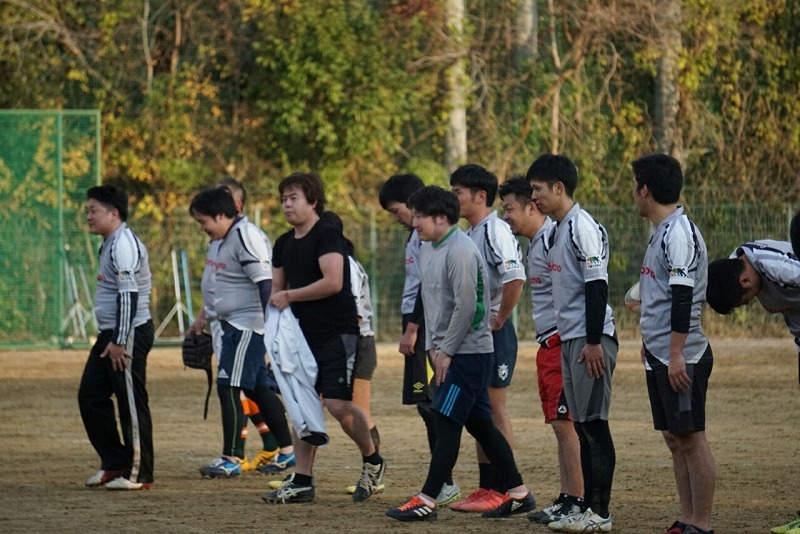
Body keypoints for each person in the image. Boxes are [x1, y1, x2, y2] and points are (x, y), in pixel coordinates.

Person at [385, 185, 535, 522]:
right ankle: (519, 493)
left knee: (445, 419)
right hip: (447, 351)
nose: (414, 223)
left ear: (441, 217)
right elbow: (430, 300)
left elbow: (467, 308)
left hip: (469, 354)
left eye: (420, 217)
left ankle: (427, 499)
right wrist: (431, 346)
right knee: (480, 424)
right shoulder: (428, 248)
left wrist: (447, 351)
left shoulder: (462, 251)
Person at [262, 172, 385, 504]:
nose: (287, 205)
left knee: (337, 404)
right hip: (300, 339)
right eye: (283, 199)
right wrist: (273, 335)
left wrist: (290, 296)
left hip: (337, 333)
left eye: (294, 198)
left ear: (313, 201)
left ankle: (373, 460)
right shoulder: (283, 243)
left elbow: (333, 282)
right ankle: (302, 480)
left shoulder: (327, 235)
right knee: (302, 406)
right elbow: (276, 291)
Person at [528, 154, 617, 532]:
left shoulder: (582, 226)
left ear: (559, 187)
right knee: (581, 426)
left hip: (588, 339)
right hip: (570, 338)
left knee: (594, 426)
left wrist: (594, 341)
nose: (534, 198)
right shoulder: (558, 230)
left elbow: (597, 284)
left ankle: (600, 512)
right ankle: (584, 507)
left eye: (537, 190)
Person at [632, 154, 716, 534]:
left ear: (645, 189)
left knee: (691, 438)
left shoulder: (678, 233)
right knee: (674, 438)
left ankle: (701, 524)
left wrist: (676, 353)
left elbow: (683, 299)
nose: (633, 193)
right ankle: (686, 520)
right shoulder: (662, 231)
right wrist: (650, 343)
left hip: (683, 356)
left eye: (634, 185)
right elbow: (661, 295)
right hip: (662, 354)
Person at [190, 187, 294, 479]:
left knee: (229, 385)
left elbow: (265, 283)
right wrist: (203, 317)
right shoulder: (220, 239)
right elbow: (217, 282)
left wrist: (270, 328)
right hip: (230, 324)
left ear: (221, 215)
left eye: (204, 221)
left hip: (247, 324)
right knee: (256, 387)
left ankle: (232, 457)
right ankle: (288, 450)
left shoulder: (245, 236)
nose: (202, 228)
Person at [498, 177, 584, 526]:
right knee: (558, 425)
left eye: (509, 209)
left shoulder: (554, 238)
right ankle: (566, 497)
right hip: (547, 344)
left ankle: (577, 500)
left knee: (566, 425)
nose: (506, 217)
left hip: (562, 343)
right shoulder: (537, 243)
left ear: (532, 208)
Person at [378, 174, 461, 507]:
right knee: (426, 405)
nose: (399, 218)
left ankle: (445, 482)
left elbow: (429, 286)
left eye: (397, 210)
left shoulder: (428, 238)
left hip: (426, 326)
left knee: (432, 404)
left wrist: (413, 329)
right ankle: (443, 481)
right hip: (418, 322)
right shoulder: (416, 237)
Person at [448, 164, 526, 512]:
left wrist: (500, 317)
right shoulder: (472, 232)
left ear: (480, 196)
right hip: (479, 335)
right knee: (479, 410)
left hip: (496, 333)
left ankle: (507, 489)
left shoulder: (495, 230)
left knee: (495, 410)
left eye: (457, 193)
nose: (453, 199)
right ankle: (487, 487)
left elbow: (515, 277)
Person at [79, 184, 155, 490]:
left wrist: (120, 341)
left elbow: (129, 295)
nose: (88, 216)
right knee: (90, 396)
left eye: (93, 210)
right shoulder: (109, 243)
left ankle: (140, 474)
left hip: (128, 332)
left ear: (114, 213)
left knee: (130, 402)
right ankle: (115, 462)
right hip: (112, 333)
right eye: (87, 210)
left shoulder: (123, 244)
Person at [319, 210, 383, 494]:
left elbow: (354, 314)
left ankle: (373, 471)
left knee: (359, 412)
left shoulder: (346, 265)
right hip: (333, 342)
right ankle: (301, 475)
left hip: (356, 342)